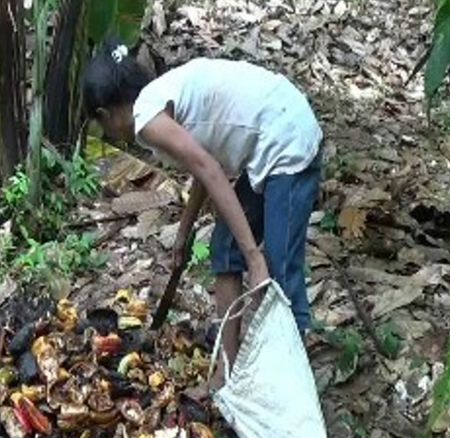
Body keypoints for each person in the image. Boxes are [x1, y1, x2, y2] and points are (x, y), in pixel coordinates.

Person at [83, 41, 323, 391]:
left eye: (102, 126)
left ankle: (291, 388)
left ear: (105, 115)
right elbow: (203, 164)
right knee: (225, 250)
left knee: (280, 270)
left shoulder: (147, 119)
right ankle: (227, 374)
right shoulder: (156, 98)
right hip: (268, 140)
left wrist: (255, 259)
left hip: (287, 140)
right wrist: (184, 230)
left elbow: (210, 170)